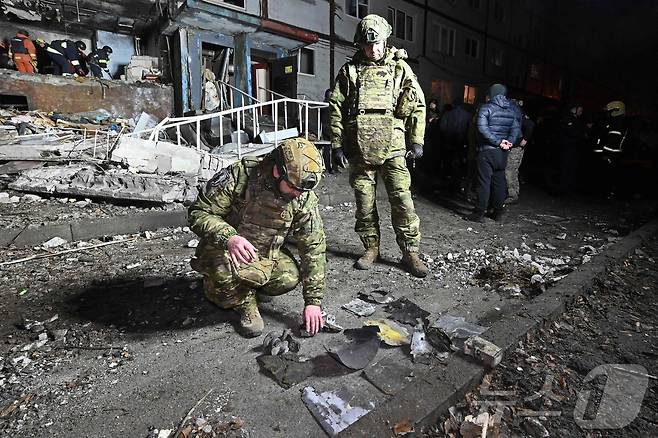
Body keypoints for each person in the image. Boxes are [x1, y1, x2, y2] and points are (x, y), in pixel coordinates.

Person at [188, 137, 327, 338]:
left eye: (302, 190)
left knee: (289, 277)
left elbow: (314, 246)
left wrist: (313, 302)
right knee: (221, 277)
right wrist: (229, 237)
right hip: (226, 248)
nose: (298, 194)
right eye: (294, 187)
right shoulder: (240, 175)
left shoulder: (302, 196)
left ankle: (248, 283)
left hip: (265, 250)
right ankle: (243, 301)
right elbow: (198, 213)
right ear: (278, 171)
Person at [328, 14, 428, 278]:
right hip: (359, 146)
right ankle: (371, 248)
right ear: (360, 44)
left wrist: (416, 140)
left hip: (394, 145)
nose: (372, 49)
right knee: (364, 204)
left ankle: (410, 252)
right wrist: (337, 144)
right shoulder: (349, 71)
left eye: (377, 44)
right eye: (367, 45)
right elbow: (336, 107)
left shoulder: (400, 68)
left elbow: (417, 104)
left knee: (402, 201)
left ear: (386, 41)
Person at [467, 83, 520, 223]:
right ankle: (498, 212)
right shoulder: (511, 110)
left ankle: (479, 213)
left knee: (484, 182)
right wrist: (509, 142)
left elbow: (482, 129)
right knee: (499, 181)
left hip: (487, 151)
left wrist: (497, 142)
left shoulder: (486, 108)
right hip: (502, 153)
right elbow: (515, 129)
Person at [505, 99, 535, 203]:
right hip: (515, 146)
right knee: (513, 170)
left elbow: (530, 125)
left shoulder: (517, 114)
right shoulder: (517, 113)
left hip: (516, 147)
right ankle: (514, 193)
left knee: (509, 170)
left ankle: (512, 195)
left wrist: (525, 140)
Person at [439, 100, 472, 191]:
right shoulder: (467, 115)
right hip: (461, 142)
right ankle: (457, 182)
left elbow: (442, 127)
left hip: (448, 141)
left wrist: (446, 136)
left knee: (448, 161)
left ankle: (447, 181)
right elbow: (469, 130)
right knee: (459, 163)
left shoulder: (447, 114)